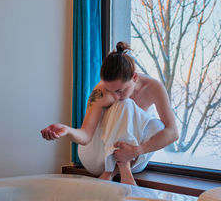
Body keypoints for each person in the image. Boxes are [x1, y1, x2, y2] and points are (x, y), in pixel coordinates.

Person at [41, 42, 178, 185]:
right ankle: (121, 173)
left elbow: (173, 133)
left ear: (135, 77)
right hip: (96, 156)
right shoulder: (100, 91)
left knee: (158, 126)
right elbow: (86, 135)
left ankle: (112, 172)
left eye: (120, 90)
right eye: (110, 89)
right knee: (125, 103)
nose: (115, 96)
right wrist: (67, 130)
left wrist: (137, 150)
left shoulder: (154, 87)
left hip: (134, 160)